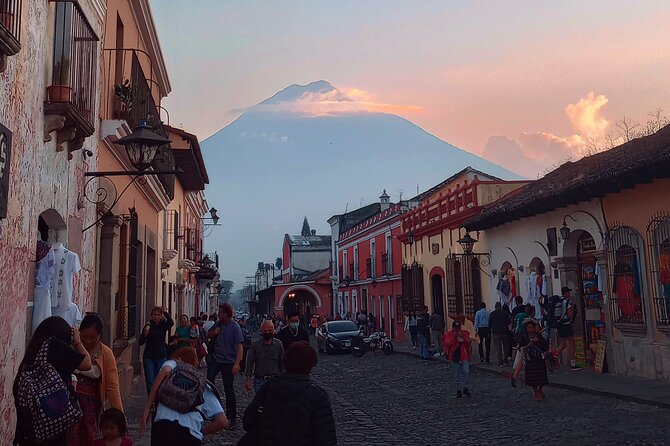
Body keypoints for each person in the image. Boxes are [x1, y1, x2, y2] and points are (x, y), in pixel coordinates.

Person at [14, 316, 92, 446]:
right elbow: (86, 363)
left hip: (28, 431)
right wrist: (77, 342)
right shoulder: (54, 345)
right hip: (51, 429)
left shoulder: (35, 349)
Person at [240, 341, 337, 446]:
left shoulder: (269, 387)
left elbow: (248, 420)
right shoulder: (317, 396)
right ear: (311, 365)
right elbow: (326, 438)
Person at [139, 347, 228, 445]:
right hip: (190, 433)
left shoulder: (175, 364)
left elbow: (164, 371)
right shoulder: (203, 384)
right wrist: (200, 432)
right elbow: (222, 422)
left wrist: (147, 408)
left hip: (163, 425)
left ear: (179, 358)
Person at [69, 313, 123, 446]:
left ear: (100, 336)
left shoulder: (106, 353)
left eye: (92, 337)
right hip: (71, 400)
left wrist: (119, 413)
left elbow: (112, 386)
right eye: (84, 336)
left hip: (91, 403)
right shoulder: (71, 347)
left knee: (91, 437)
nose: (87, 341)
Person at [207, 303, 244, 430]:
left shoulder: (235, 327)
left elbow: (239, 346)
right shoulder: (218, 324)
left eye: (221, 312)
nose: (219, 314)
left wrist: (237, 363)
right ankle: (213, 409)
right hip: (216, 359)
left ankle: (232, 417)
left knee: (229, 389)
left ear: (227, 313)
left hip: (228, 361)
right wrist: (214, 333)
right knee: (209, 381)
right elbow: (208, 335)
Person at [512, 319, 550, 400]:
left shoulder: (538, 335)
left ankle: (540, 389)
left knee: (542, 378)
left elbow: (544, 345)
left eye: (532, 327)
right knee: (533, 379)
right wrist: (530, 344)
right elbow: (521, 348)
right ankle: (536, 393)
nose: (530, 329)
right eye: (528, 327)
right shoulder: (524, 337)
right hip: (530, 360)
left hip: (539, 359)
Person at [138, 306, 174, 393]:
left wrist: (165, 312)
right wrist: (144, 334)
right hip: (149, 357)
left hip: (160, 356)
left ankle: (159, 399)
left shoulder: (163, 325)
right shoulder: (148, 326)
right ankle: (152, 402)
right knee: (150, 380)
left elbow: (171, 323)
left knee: (160, 380)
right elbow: (140, 342)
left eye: (158, 315)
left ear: (161, 316)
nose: (156, 316)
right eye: (154, 314)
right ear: (151, 315)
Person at [245, 320, 285, 393]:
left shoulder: (278, 344)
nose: (267, 333)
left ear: (273, 330)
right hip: (259, 380)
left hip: (274, 379)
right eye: (265, 331)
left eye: (269, 330)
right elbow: (250, 363)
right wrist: (248, 379)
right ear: (261, 331)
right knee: (260, 402)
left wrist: (283, 379)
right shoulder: (255, 345)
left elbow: (282, 362)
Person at [443, 320, 472, 398]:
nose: (457, 330)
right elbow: (447, 343)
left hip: (464, 356)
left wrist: (463, 338)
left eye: (458, 328)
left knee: (466, 372)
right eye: (456, 328)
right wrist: (454, 337)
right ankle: (458, 390)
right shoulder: (448, 334)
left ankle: (465, 387)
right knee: (456, 374)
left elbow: (469, 342)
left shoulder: (464, 332)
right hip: (454, 357)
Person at [556, 286, 581, 370]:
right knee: (571, 342)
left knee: (563, 344)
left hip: (560, 324)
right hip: (566, 324)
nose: (569, 294)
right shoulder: (568, 302)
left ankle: (553, 355)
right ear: (566, 293)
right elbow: (570, 315)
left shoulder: (559, 301)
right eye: (568, 292)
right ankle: (573, 363)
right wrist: (573, 308)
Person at [489, 302, 511, 367]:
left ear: (495, 307)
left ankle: (500, 362)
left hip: (496, 332)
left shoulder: (492, 314)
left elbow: (490, 324)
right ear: (500, 306)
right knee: (505, 347)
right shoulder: (505, 313)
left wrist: (489, 332)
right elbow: (509, 323)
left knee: (498, 348)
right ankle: (506, 360)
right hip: (505, 332)